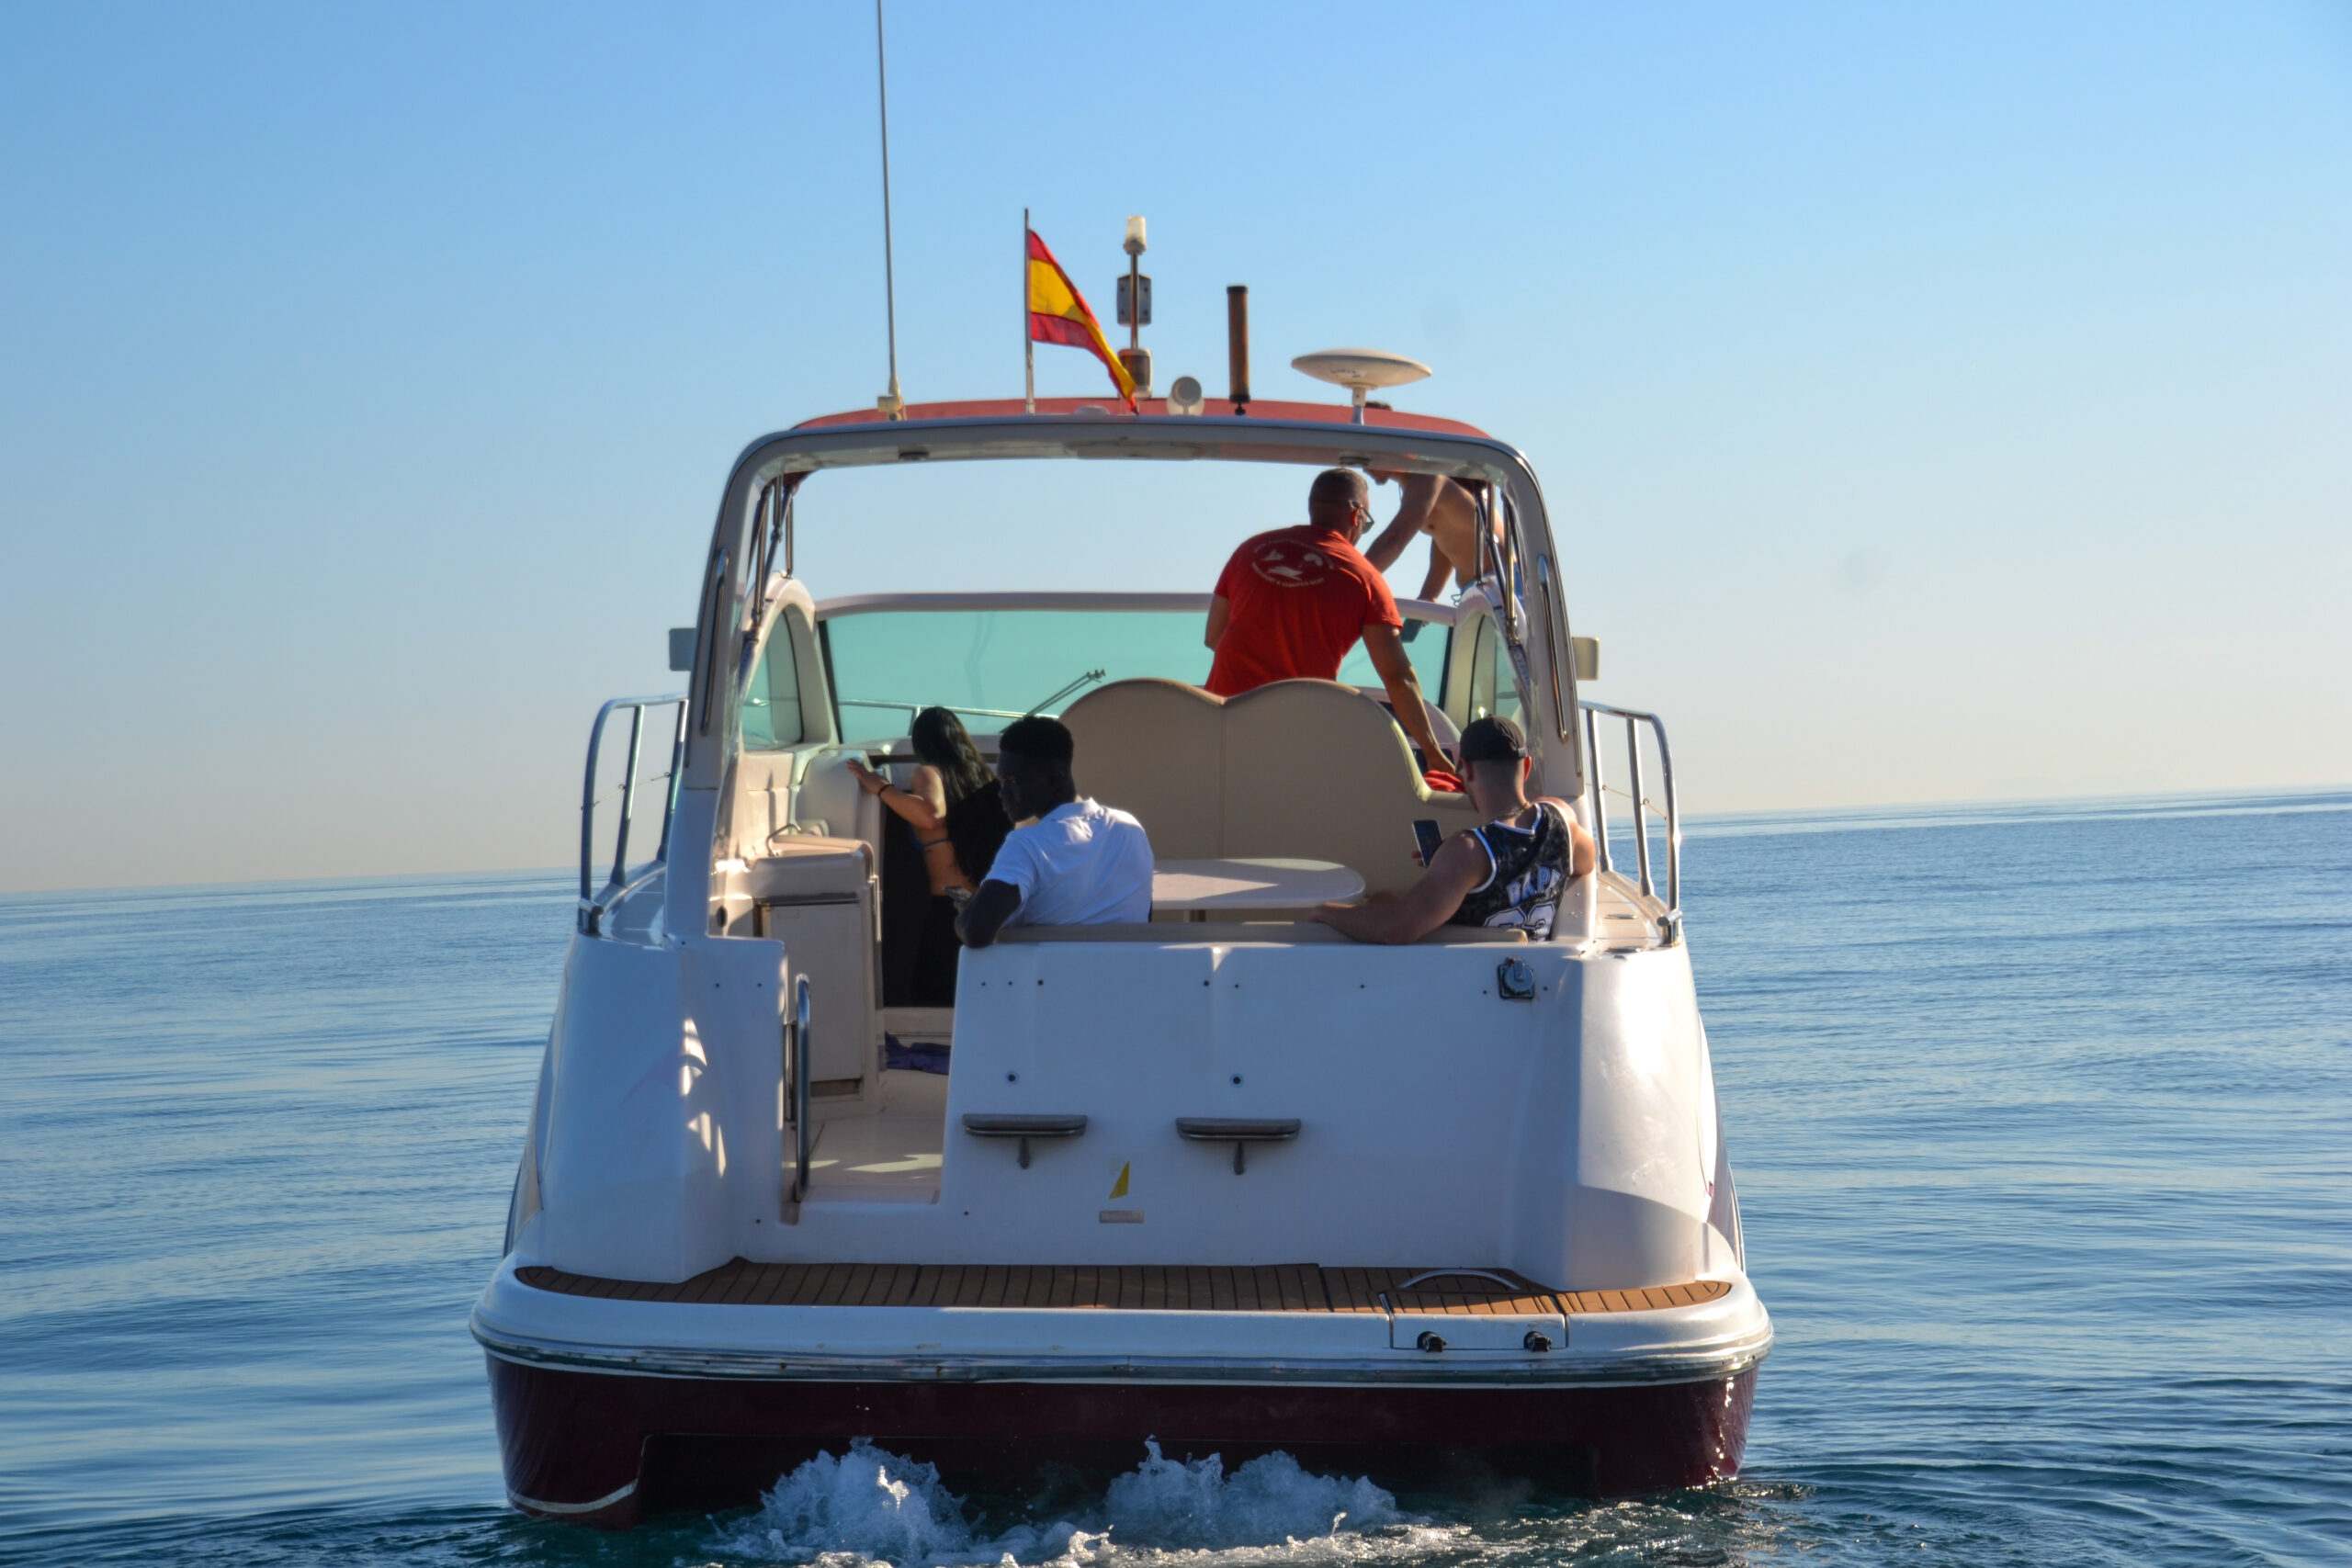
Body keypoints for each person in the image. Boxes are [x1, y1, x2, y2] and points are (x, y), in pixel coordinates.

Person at [1203, 468, 1452, 768]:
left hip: (1221, 721)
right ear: (1356, 515)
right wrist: (1433, 753)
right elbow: (1398, 678)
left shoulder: (1249, 551)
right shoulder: (1365, 577)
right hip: (1297, 733)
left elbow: (1214, 637)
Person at [1309, 716, 1596, 945]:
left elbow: (1396, 929)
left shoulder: (1467, 852)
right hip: (1535, 968)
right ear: (1527, 766)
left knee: (1380, 901)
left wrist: (1326, 912)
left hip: (1472, 978)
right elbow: (1586, 862)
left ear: (1466, 770)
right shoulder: (1562, 819)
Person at [846, 707, 1012, 1003]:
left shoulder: (929, 773)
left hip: (949, 913)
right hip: (989, 910)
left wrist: (878, 786)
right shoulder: (984, 779)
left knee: (935, 999)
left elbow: (931, 816)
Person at [957, 716, 1155, 949]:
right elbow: (1142, 911)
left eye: (1013, 781)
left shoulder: (1027, 844)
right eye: (1001, 781)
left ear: (1056, 777)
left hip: (1056, 972)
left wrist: (967, 910)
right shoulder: (1130, 828)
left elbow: (975, 930)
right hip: (1130, 968)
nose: (1002, 792)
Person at [1360, 470, 1499, 602]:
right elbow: (1446, 536)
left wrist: (1353, 577)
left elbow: (1393, 539)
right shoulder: (1421, 483)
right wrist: (1428, 595)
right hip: (1482, 587)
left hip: (1497, 584)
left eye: (1374, 457)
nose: (1365, 468)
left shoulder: (1426, 479)